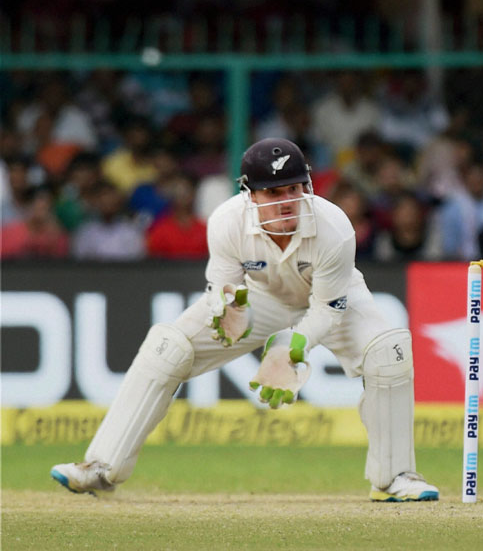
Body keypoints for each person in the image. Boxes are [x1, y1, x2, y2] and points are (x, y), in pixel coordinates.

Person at [51, 138, 439, 503]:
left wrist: (294, 345)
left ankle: (394, 477)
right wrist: (228, 313)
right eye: (274, 192)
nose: (288, 201)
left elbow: (328, 307)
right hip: (261, 296)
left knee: (388, 351)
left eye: (295, 188)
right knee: (167, 346)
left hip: (329, 297)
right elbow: (224, 288)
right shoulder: (226, 222)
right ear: (250, 194)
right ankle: (102, 467)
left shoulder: (334, 227)